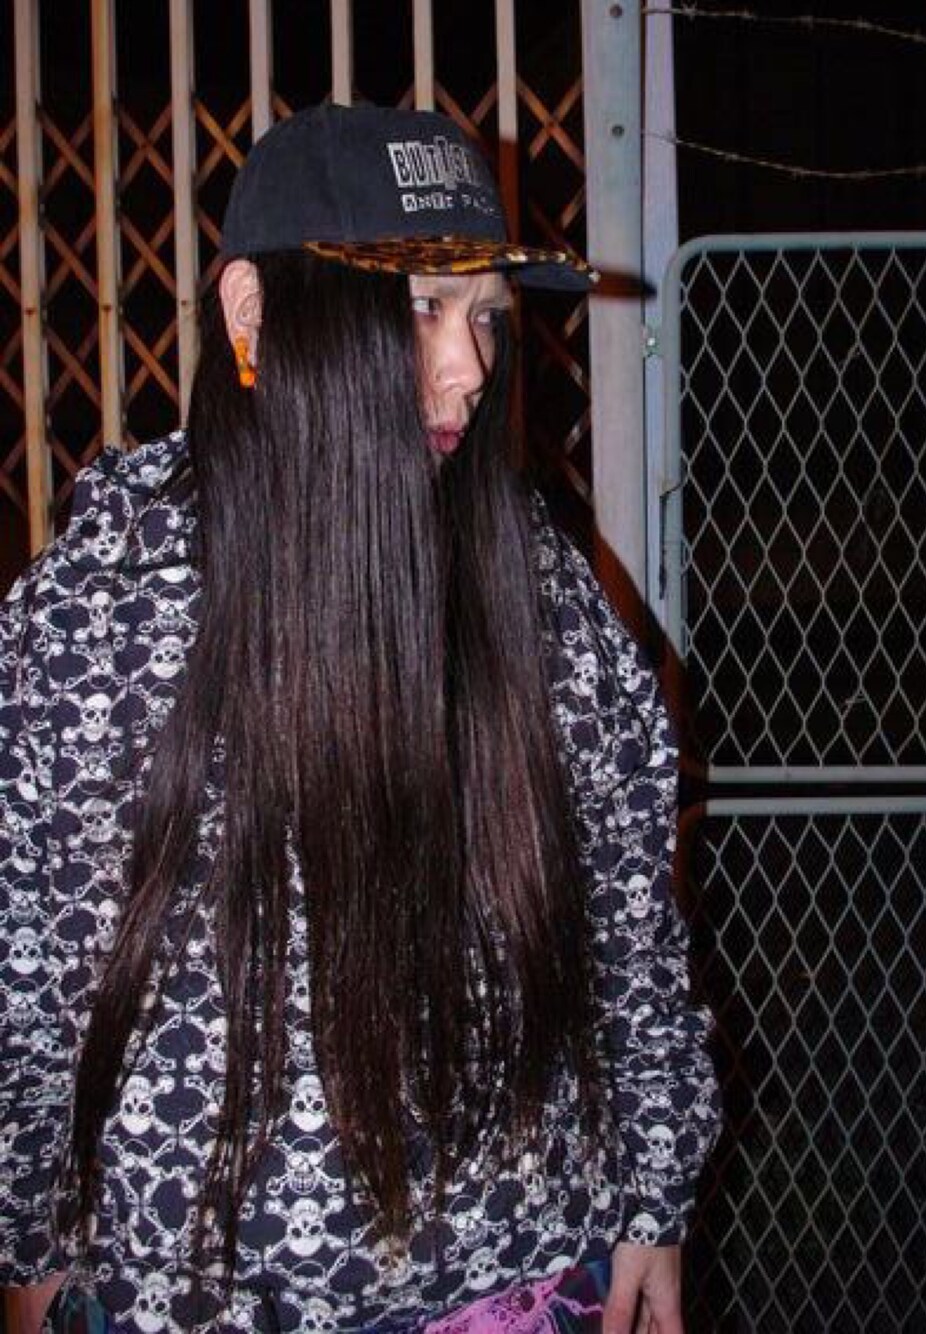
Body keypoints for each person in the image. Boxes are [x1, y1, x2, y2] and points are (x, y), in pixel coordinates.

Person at [0, 102, 719, 1334]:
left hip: (514, 1282)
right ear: (253, 315)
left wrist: (653, 1200)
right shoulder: (104, 606)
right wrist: (27, 1246)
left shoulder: (527, 579)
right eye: (421, 306)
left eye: (485, 313)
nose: (470, 366)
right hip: (191, 1298)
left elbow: (625, 917)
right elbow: (30, 967)